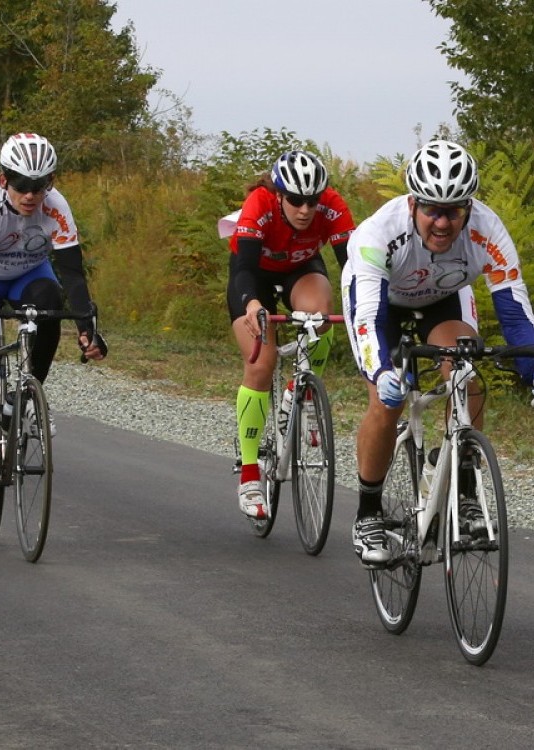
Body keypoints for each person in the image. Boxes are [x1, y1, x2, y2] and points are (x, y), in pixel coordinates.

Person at [342, 139, 534, 567]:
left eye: (454, 210)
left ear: (469, 207)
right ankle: (368, 513)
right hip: (383, 305)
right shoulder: (379, 233)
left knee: (467, 372)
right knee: (385, 398)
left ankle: (463, 489)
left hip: (443, 299)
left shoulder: (488, 229)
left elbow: (516, 315)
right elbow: (366, 315)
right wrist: (380, 372)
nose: (443, 222)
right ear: (413, 203)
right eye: (432, 209)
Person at [0, 132, 107, 528]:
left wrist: (88, 328)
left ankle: (27, 397)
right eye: (22, 184)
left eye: (41, 185)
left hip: (27, 274)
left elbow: (72, 275)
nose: (31, 194)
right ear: (4, 180)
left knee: (51, 305)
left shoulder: (57, 208)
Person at [219, 150, 356, 520]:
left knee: (320, 316)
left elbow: (352, 266)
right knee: (261, 364)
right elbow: (244, 268)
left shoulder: (332, 206)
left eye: (312, 200)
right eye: (295, 200)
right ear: (279, 194)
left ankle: (303, 390)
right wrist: (251, 305)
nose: (305, 209)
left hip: (300, 267)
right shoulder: (259, 203)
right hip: (254, 275)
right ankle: (250, 473)